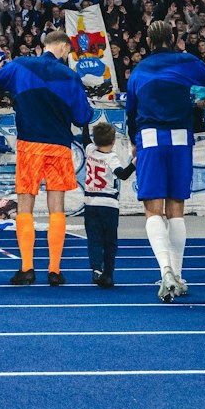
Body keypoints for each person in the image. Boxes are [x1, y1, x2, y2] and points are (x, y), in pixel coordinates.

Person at [122, 20, 205, 301]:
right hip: (181, 136)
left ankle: (165, 269)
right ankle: (178, 275)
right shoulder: (186, 61)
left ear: (148, 40)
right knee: (176, 209)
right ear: (174, 38)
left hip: (150, 138)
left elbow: (130, 113)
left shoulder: (140, 70)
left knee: (153, 210)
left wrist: (134, 142)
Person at [0, 30, 93, 286]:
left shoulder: (22, 66)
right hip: (58, 146)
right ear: (65, 49)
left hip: (29, 144)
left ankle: (27, 268)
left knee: (25, 206)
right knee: (57, 207)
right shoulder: (70, 75)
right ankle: (54, 270)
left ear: (44, 46)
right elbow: (82, 117)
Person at [80, 122, 133, 288]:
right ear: (113, 141)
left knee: (94, 239)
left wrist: (85, 123)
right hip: (108, 203)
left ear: (95, 140)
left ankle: (96, 269)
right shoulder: (112, 157)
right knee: (110, 241)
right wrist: (135, 162)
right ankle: (108, 273)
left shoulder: (90, 151)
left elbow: (84, 139)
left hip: (90, 203)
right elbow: (122, 175)